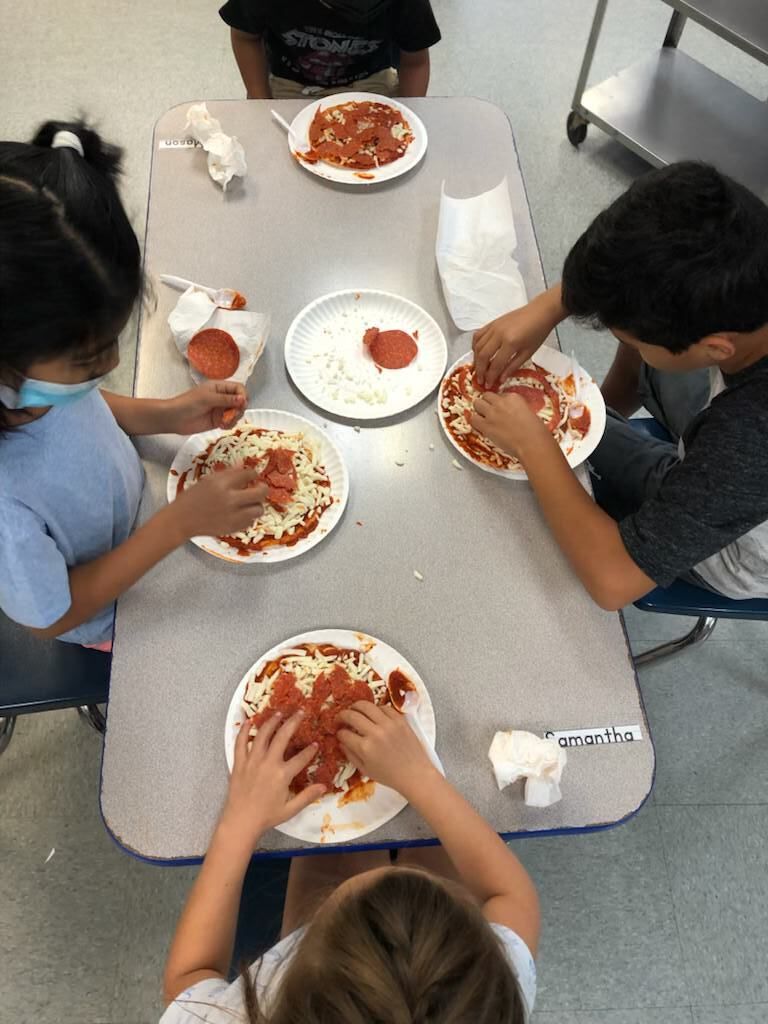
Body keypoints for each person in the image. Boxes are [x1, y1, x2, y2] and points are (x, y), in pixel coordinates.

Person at [0, 120, 269, 648]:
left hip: (150, 525)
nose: (116, 359)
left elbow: (85, 409)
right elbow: (51, 614)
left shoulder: (27, 387)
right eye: (88, 360)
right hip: (115, 612)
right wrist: (174, 526)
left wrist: (166, 414)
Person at [471, 162, 768, 609]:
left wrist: (535, 443)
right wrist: (550, 306)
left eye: (627, 338)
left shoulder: (746, 439)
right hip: (723, 425)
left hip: (738, 550)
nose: (619, 338)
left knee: (552, 449)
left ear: (716, 347)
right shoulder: (743, 255)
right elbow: (653, 250)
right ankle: (610, 407)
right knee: (608, 396)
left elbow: (612, 582)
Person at [161, 704, 540, 1023]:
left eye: (337, 900)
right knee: (428, 845)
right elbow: (511, 894)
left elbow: (188, 978)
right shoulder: (484, 995)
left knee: (338, 851)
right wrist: (422, 778)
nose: (387, 869)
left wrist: (238, 822)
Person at [220, 0, 441, 100]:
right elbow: (245, 37)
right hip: (290, 82)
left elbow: (415, 62)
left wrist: (410, 114)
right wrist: (260, 100)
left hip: (369, 81)